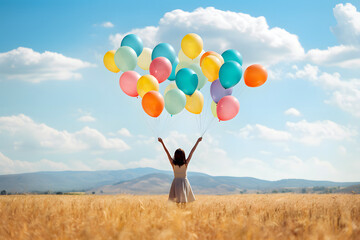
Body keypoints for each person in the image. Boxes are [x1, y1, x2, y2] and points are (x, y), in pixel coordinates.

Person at [158, 137, 202, 203]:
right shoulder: (186, 163)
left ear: (175, 155)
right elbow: (192, 151)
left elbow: (167, 152)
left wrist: (162, 142)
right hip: (184, 183)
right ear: (183, 155)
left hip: (176, 183)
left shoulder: (173, 163)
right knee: (184, 202)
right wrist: (197, 141)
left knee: (176, 202)